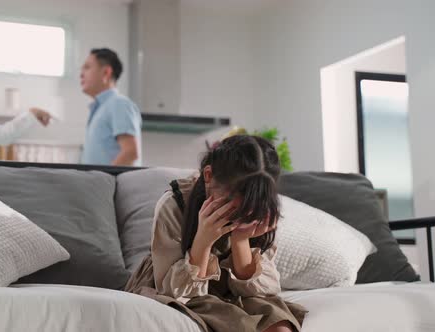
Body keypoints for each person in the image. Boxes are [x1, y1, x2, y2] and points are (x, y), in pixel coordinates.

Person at [125, 135, 307, 332]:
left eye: (251, 205)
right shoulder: (174, 204)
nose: (243, 212)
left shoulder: (258, 206)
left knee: (279, 325)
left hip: (233, 290)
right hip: (180, 289)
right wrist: (203, 239)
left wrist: (241, 239)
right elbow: (173, 291)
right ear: (208, 176)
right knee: (238, 324)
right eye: (232, 203)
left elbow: (262, 292)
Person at [79, 48, 142, 166]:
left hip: (106, 184)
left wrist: (100, 182)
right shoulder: (100, 109)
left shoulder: (119, 104)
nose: (81, 74)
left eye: (87, 67)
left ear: (106, 72)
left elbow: (130, 153)